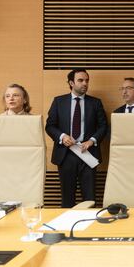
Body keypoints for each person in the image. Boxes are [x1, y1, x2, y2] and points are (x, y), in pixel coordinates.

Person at [45, 69, 108, 208]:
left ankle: (90, 229)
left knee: (90, 198)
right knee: (67, 199)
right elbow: (50, 126)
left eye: (87, 80)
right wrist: (62, 136)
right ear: (71, 83)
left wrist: (92, 140)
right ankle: (67, 228)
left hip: (88, 154)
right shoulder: (58, 101)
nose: (85, 83)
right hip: (65, 155)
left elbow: (103, 127)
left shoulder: (96, 103)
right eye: (81, 80)